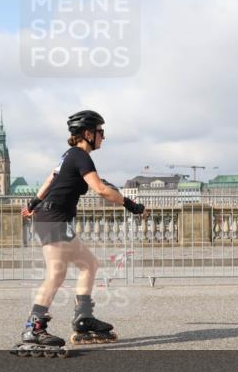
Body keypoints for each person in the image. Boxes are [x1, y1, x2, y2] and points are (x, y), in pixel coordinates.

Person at [11, 110, 147, 357]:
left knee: (88, 264)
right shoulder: (81, 156)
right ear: (87, 133)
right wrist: (131, 204)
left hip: (51, 217)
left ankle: (84, 318)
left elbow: (49, 181)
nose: (103, 137)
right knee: (56, 274)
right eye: (100, 132)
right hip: (54, 219)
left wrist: (32, 204)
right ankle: (33, 329)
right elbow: (101, 189)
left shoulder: (67, 156)